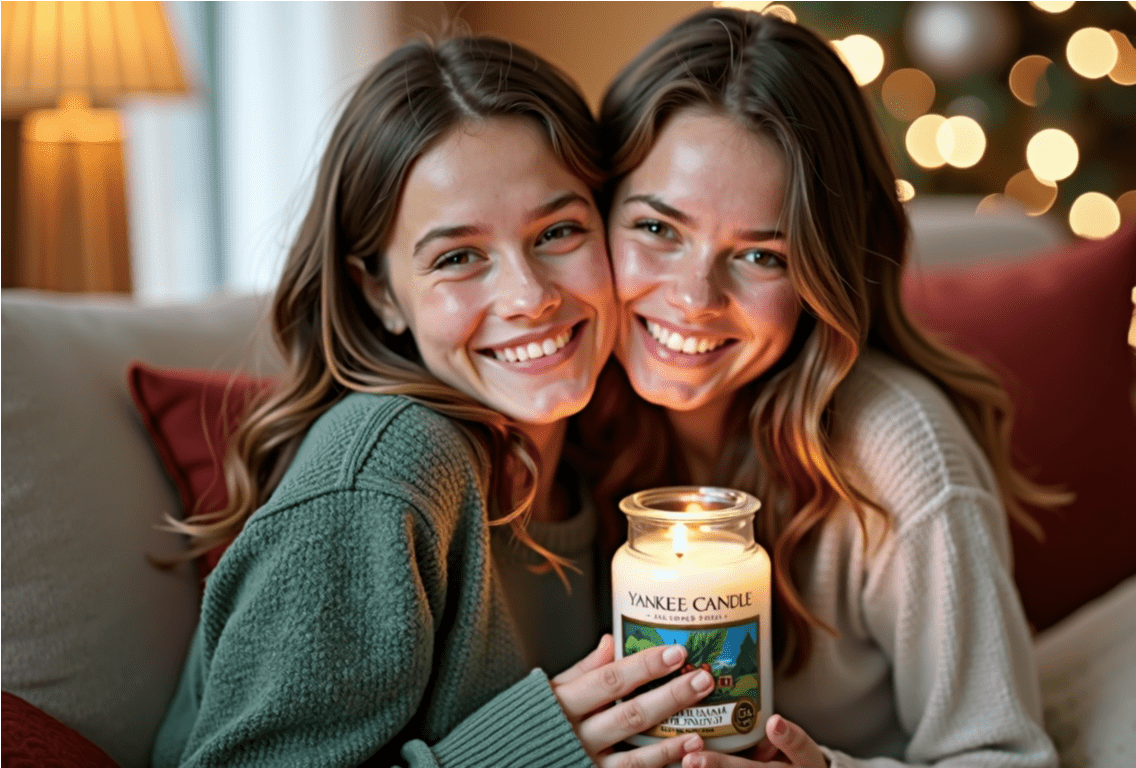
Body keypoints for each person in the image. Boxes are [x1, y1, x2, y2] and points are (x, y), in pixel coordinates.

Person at [152, 36, 717, 768]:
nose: (529, 296)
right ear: (381, 293)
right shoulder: (388, 468)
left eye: (558, 232)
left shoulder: (600, 460)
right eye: (458, 257)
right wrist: (520, 755)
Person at [578, 8, 1068, 767]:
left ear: (823, 270)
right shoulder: (557, 412)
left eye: (762, 256)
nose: (695, 298)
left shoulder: (901, 454)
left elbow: (1005, 756)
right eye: (658, 229)